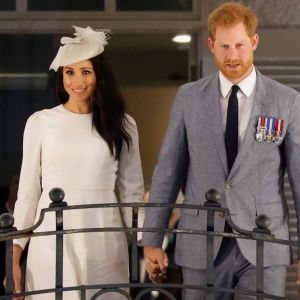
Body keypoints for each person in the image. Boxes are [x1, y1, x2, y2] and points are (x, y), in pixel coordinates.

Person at [142, 2, 300, 299]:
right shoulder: (189, 98)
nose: (233, 55)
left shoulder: (286, 101)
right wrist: (152, 239)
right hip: (201, 241)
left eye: (240, 45)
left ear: (254, 42)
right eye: (224, 46)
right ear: (211, 45)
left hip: (265, 241)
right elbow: (168, 170)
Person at [9, 25, 144, 300]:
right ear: (61, 77)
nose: (76, 80)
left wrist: (147, 244)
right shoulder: (40, 122)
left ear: (99, 76)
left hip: (104, 235)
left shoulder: (123, 125)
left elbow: (132, 192)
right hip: (51, 234)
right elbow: (28, 193)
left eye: (85, 71)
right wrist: (15, 251)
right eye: (69, 72)